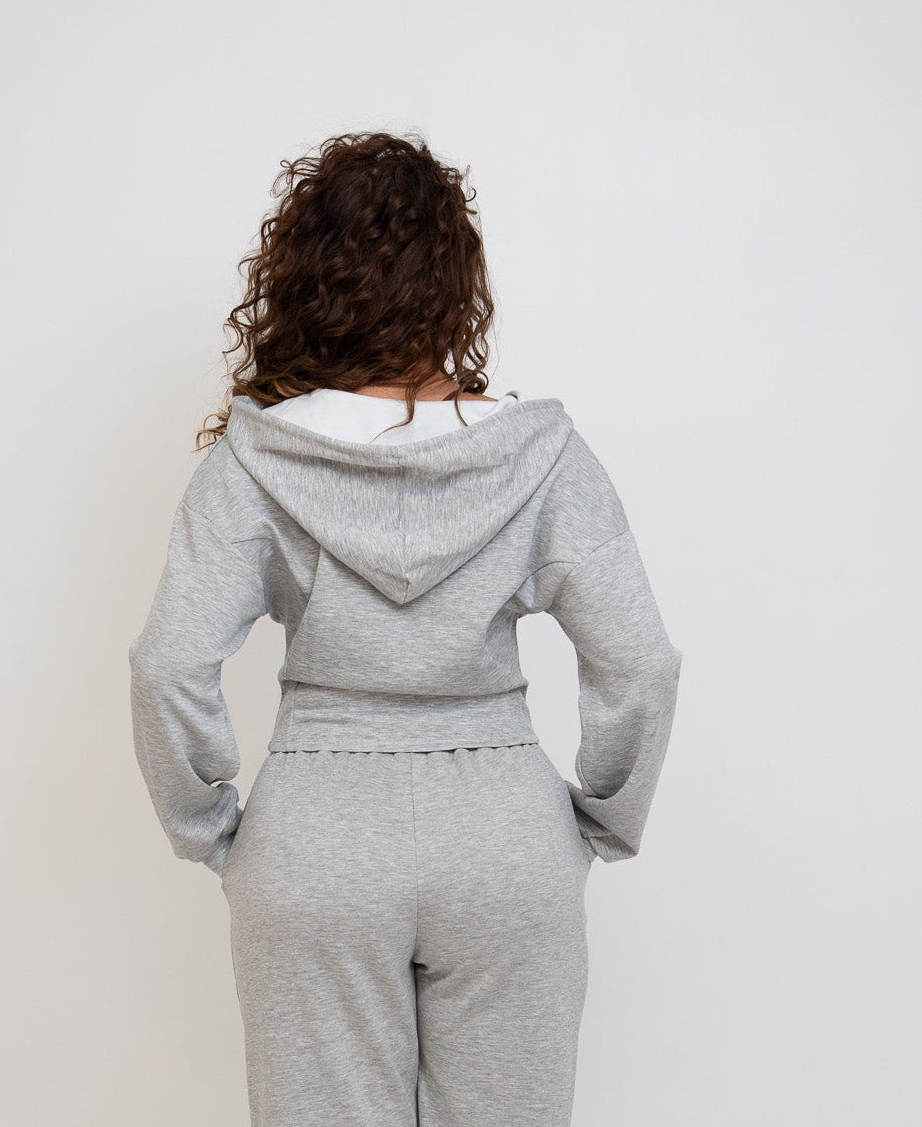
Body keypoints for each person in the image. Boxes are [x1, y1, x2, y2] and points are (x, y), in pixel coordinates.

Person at [128, 131, 683, 1127]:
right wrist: (602, 821)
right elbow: (639, 661)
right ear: (455, 285)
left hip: (315, 837)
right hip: (505, 838)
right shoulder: (541, 454)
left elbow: (168, 663)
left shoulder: (253, 461)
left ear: (303, 282)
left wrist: (211, 833)